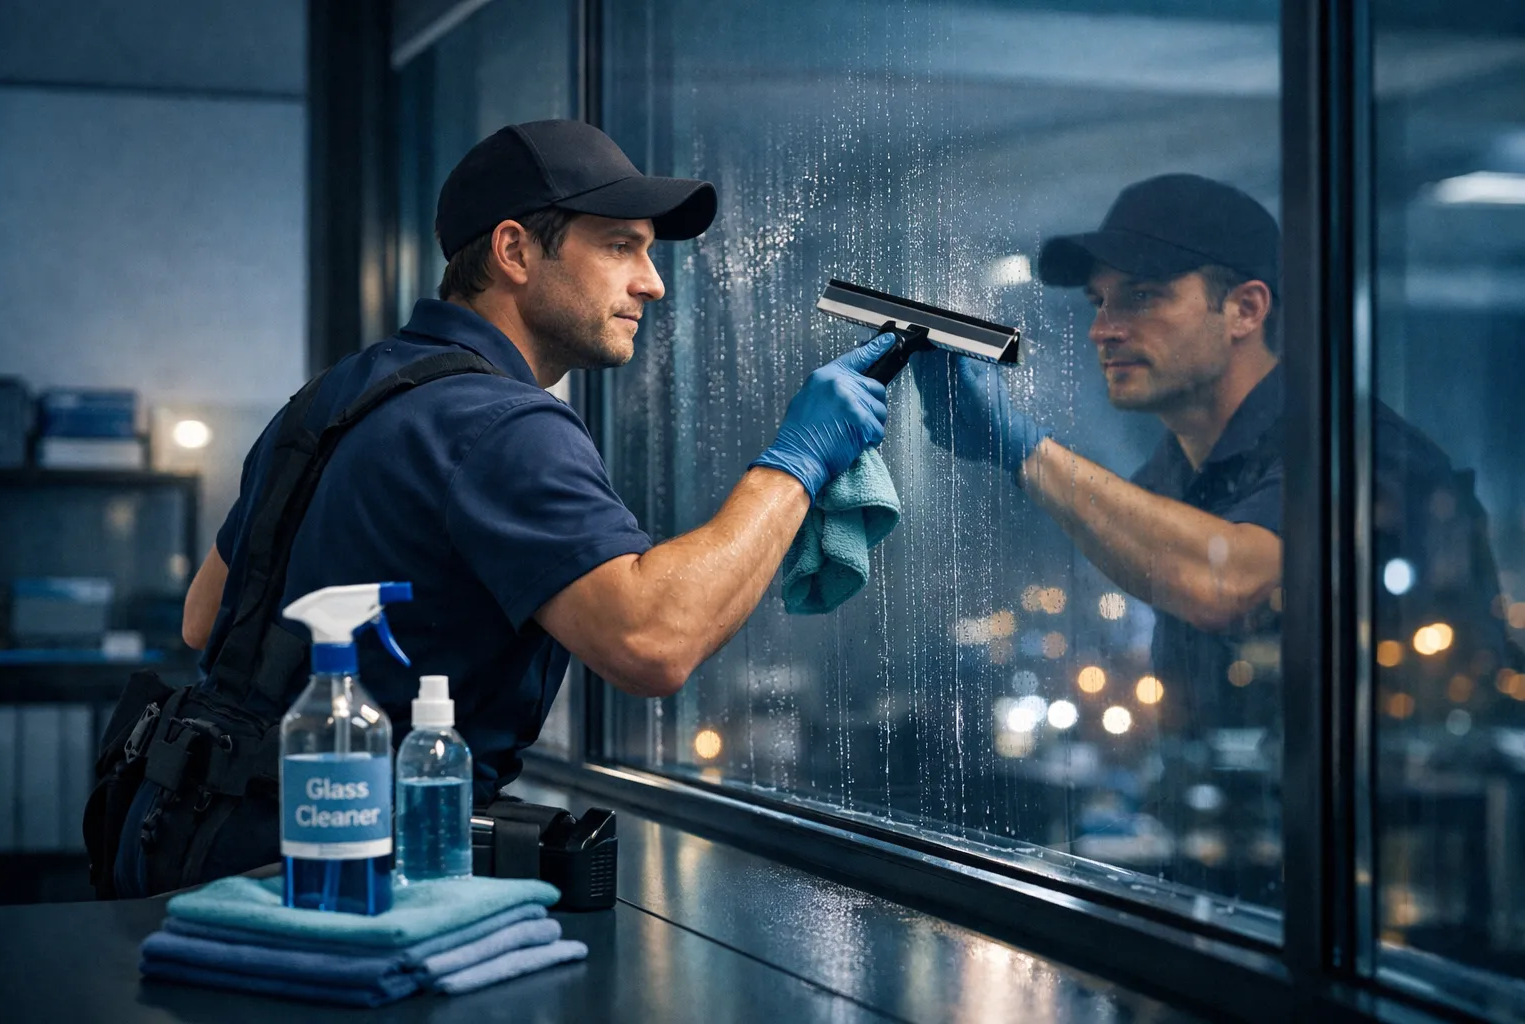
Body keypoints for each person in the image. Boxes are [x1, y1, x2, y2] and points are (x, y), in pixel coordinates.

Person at [110, 119, 895, 895]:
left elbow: (205, 618)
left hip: (179, 840)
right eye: (621, 246)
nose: (651, 282)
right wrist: (796, 462)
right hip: (330, 881)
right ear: (514, 250)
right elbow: (654, 638)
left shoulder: (335, 394)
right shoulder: (500, 423)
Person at [913, 173, 1515, 892]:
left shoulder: (1354, 452)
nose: (1105, 329)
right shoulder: (1170, 481)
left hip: (1397, 912)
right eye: (1100, 302)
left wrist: (1024, 451)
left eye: (1143, 296)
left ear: (1244, 310)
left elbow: (1236, 582)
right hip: (1243, 897)